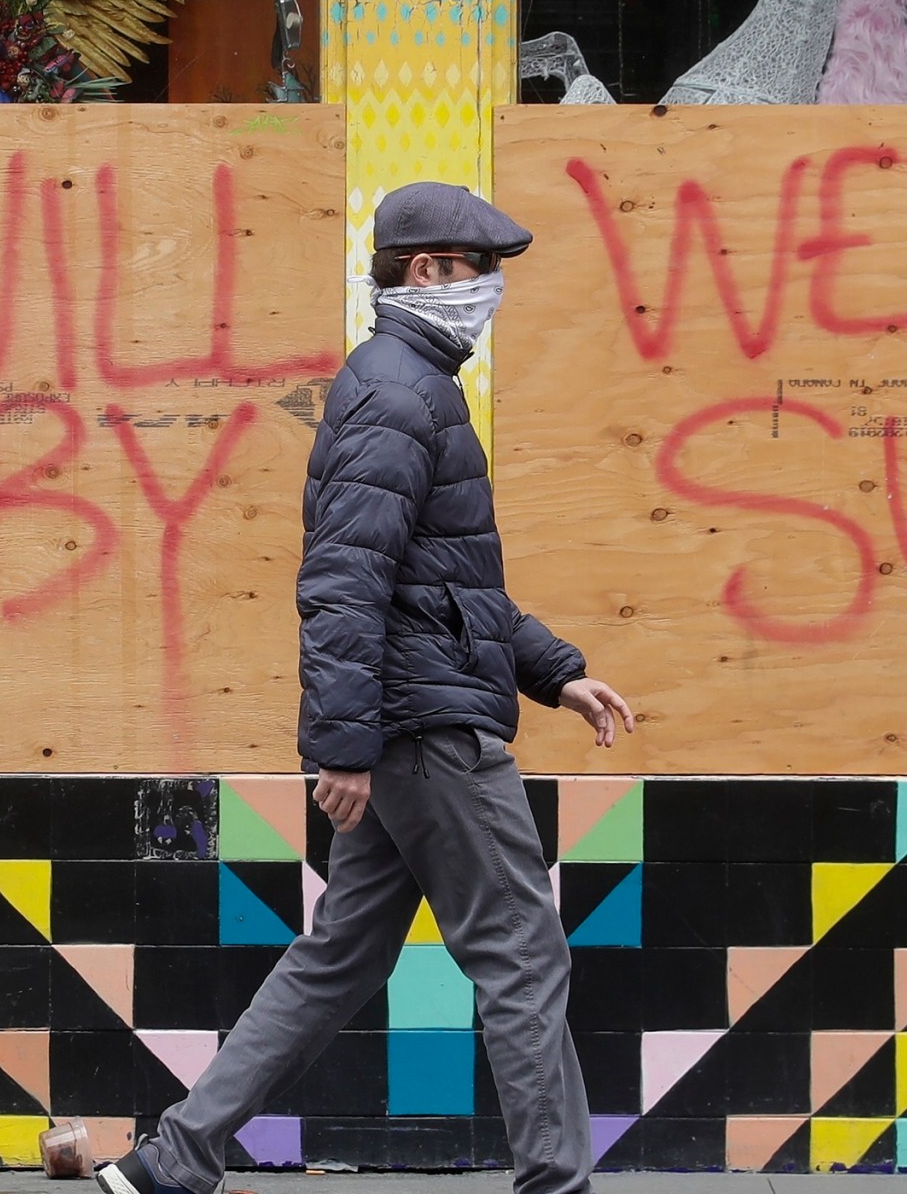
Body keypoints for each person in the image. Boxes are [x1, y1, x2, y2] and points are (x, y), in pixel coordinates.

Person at [98, 183, 636, 1194]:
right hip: (428, 734)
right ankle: (556, 1185)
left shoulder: (410, 387)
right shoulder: (399, 392)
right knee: (521, 955)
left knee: (337, 958)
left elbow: (446, 583)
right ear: (425, 272)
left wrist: (556, 672)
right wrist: (338, 744)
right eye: (480, 268)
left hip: (406, 722)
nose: (492, 288)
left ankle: (175, 1160)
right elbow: (344, 580)